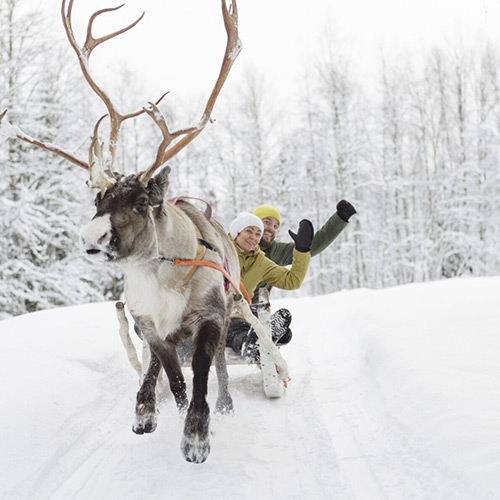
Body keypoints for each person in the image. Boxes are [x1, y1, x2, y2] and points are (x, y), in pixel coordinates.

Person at [226, 212, 314, 361]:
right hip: (212, 315)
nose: (254, 237)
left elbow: (292, 280)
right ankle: (259, 341)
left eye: (258, 234)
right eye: (249, 231)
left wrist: (302, 250)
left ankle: (255, 343)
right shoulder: (219, 252)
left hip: (240, 317)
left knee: (241, 327)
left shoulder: (260, 261)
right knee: (234, 329)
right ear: (237, 232)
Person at [252, 200, 357, 302]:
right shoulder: (238, 245)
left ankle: (262, 317)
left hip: (257, 312)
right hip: (238, 307)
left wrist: (339, 219)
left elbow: (312, 247)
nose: (271, 229)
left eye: (275, 226)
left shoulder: (275, 251)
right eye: (267, 222)